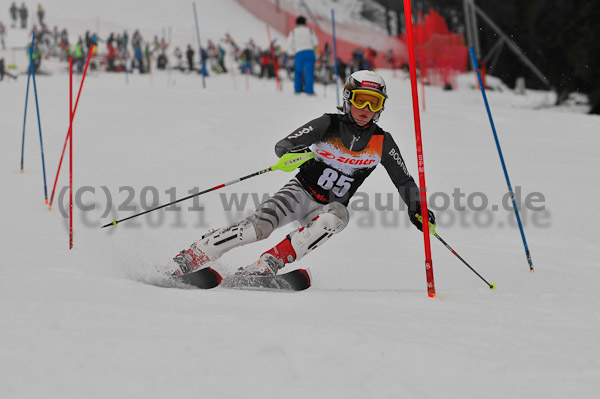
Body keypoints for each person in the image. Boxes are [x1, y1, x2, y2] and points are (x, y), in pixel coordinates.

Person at [167, 70, 436, 278]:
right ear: (348, 98)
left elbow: (404, 181)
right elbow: (283, 146)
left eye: (374, 103)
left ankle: (268, 263)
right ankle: (192, 256)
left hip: (328, 207)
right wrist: (297, 153)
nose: (366, 110)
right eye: (361, 100)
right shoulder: (328, 124)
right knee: (257, 229)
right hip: (298, 193)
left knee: (338, 217)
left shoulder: (382, 142)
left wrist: (417, 207)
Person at [286, 15, 318, 94]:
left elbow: (289, 44)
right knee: (309, 72)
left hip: (299, 53)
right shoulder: (310, 31)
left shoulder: (293, 32)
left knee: (298, 72)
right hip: (310, 52)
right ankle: (309, 91)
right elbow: (316, 42)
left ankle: (297, 90)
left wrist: (292, 52)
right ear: (305, 23)